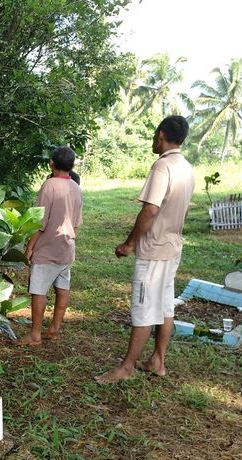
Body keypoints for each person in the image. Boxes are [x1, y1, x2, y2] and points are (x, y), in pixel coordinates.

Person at [96, 115, 194, 384]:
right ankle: (158, 361)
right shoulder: (186, 167)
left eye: (155, 134)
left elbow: (151, 209)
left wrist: (129, 244)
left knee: (142, 309)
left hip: (153, 250)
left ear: (161, 134)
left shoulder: (163, 167)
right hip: (173, 247)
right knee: (164, 307)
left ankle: (126, 367)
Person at [18, 146, 83, 346]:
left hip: (47, 248)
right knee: (62, 288)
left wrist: (29, 248)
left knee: (38, 290)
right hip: (67, 247)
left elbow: (40, 222)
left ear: (51, 163)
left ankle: (35, 334)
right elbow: (76, 223)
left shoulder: (49, 185)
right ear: (71, 166)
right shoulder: (76, 187)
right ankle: (54, 329)